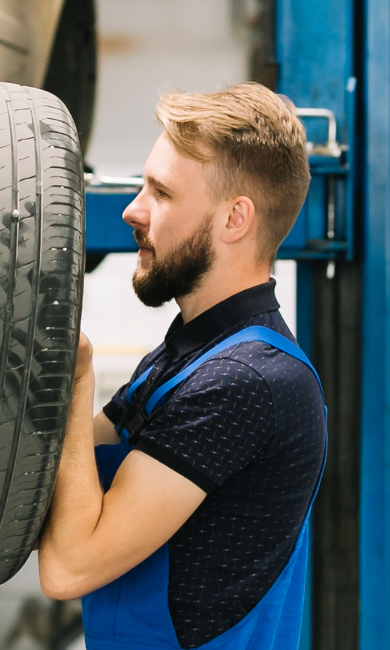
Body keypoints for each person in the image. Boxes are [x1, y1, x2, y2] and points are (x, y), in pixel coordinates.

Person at [37, 82, 326, 650]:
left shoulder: (247, 382)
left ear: (235, 219)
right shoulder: (184, 360)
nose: (132, 210)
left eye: (161, 193)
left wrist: (76, 378)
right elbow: (55, 481)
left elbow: (69, 567)